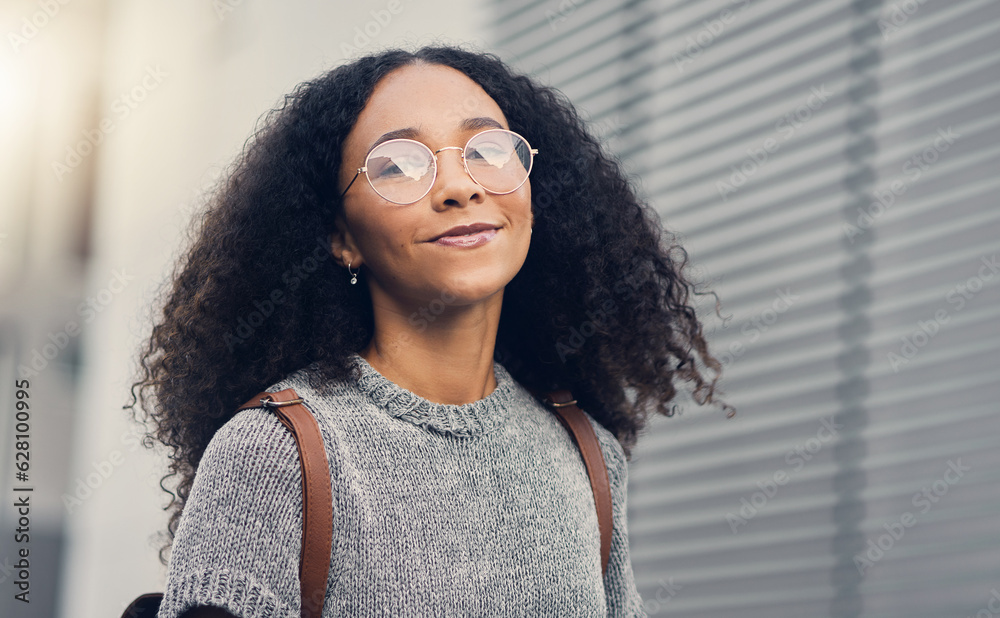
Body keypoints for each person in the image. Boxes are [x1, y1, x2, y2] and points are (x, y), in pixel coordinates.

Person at [126, 45, 730, 618]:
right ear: (341, 239)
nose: (462, 187)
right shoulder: (275, 451)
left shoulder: (586, 454)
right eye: (398, 166)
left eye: (488, 151)